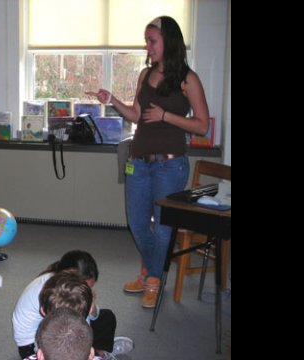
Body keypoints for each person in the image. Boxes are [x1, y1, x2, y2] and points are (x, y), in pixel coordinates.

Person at [85, 16, 210, 308]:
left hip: (170, 165)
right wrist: (112, 99)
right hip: (138, 162)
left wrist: (166, 116)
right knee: (138, 223)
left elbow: (202, 125)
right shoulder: (144, 74)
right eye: (147, 40)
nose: (147, 46)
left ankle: (152, 279)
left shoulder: (188, 79)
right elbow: (135, 115)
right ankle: (155, 273)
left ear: (169, 41)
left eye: (152, 40)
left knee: (163, 228)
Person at [12, 250, 117, 359]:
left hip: (61, 327)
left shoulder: (66, 288)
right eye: (86, 287)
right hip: (36, 343)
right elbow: (74, 327)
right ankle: (98, 354)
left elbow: (90, 318)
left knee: (107, 317)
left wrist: (92, 307)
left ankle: (98, 352)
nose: (88, 291)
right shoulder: (55, 296)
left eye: (90, 287)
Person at [37, 270, 134, 360]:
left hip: (55, 350)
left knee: (106, 316)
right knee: (106, 318)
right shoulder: (85, 314)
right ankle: (102, 354)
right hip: (82, 348)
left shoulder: (44, 338)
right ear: (90, 354)